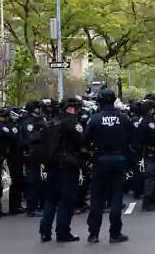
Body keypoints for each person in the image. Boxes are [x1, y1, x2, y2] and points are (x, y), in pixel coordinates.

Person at [84, 89, 134, 244]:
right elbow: (133, 140)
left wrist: (92, 151)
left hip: (100, 159)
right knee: (116, 198)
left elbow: (84, 140)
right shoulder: (124, 118)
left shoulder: (94, 119)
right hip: (119, 159)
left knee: (97, 197)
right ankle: (114, 234)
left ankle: (93, 234)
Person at [39, 97, 83, 242]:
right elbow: (82, 143)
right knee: (66, 201)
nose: (76, 110)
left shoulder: (51, 123)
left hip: (52, 167)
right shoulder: (73, 124)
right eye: (74, 108)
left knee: (51, 200)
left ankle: (45, 232)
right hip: (68, 167)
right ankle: (63, 232)